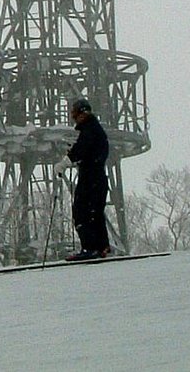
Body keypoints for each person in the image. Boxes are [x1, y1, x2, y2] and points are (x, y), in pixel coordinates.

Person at [55, 97, 112, 261]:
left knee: (82, 212)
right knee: (95, 212)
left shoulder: (90, 131)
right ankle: (102, 246)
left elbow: (82, 148)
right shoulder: (95, 129)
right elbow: (87, 150)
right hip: (98, 178)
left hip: (91, 179)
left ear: (82, 113)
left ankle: (90, 247)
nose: (73, 117)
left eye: (74, 113)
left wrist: (66, 162)